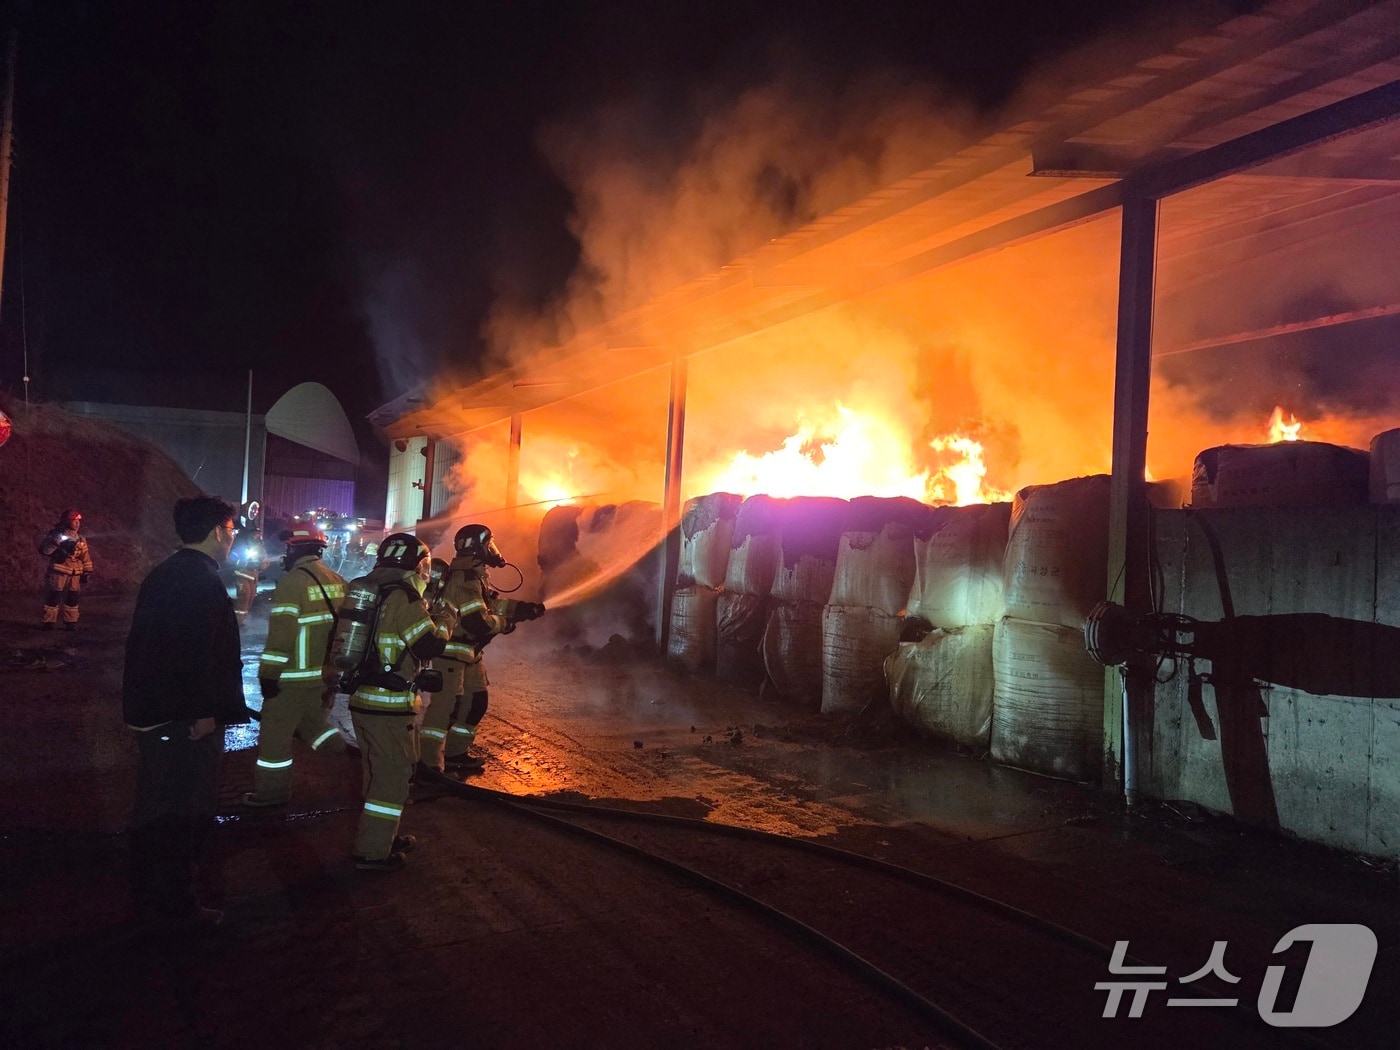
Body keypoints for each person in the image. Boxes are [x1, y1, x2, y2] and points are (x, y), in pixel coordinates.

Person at [122, 495, 249, 931]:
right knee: (180, 812)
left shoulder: (169, 573)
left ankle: (149, 896)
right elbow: (194, 655)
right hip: (180, 721)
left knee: (157, 806)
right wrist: (206, 713)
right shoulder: (199, 579)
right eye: (232, 530)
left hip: (158, 713)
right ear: (217, 531)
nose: (234, 538)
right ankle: (174, 907)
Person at [345, 533, 455, 871]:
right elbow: (427, 646)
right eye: (423, 566)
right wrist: (447, 619)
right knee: (392, 780)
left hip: (362, 699)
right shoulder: (406, 598)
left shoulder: (368, 589)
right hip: (390, 706)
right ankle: (372, 852)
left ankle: (382, 836)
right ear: (416, 565)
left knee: (375, 773)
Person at [420, 524, 543, 780]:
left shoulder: (475, 575)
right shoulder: (465, 578)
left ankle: (455, 754)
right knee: (445, 708)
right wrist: (506, 623)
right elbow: (477, 620)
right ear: (480, 547)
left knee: (476, 701)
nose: (494, 551)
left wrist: (522, 608)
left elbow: (489, 604)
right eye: (490, 545)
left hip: (469, 652)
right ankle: (427, 763)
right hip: (452, 652)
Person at [243, 527, 347, 808]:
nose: (286, 554)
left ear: (297, 550)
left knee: (274, 740)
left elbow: (282, 637)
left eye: (289, 548)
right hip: (321, 677)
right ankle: (349, 760)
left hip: (291, 679)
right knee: (313, 725)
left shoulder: (292, 583)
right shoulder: (337, 580)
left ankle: (271, 795)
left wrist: (268, 675)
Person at [39, 508, 94, 631]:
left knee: (72, 598)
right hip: (59, 572)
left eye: (78, 521)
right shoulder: (57, 535)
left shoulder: (80, 539)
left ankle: (70, 623)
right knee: (54, 596)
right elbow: (45, 551)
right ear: (67, 522)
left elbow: (85, 557)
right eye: (74, 521)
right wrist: (56, 544)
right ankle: (48, 622)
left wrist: (87, 572)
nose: (77, 524)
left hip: (75, 574)